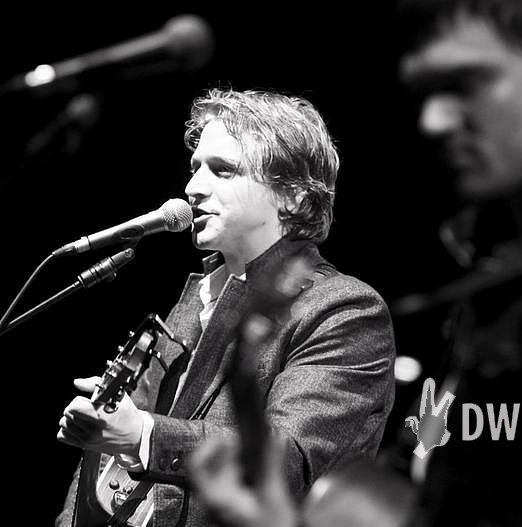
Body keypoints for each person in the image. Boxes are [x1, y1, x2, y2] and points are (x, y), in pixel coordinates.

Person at [188, 1, 522, 526]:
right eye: (426, 91)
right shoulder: (505, 260)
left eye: (465, 83)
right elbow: (445, 469)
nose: (433, 120)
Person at [55, 89, 396, 526]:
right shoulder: (196, 299)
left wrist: (142, 434)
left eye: (223, 170)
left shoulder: (342, 309)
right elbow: (109, 453)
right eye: (194, 168)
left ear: (292, 195)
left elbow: (286, 462)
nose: (192, 188)